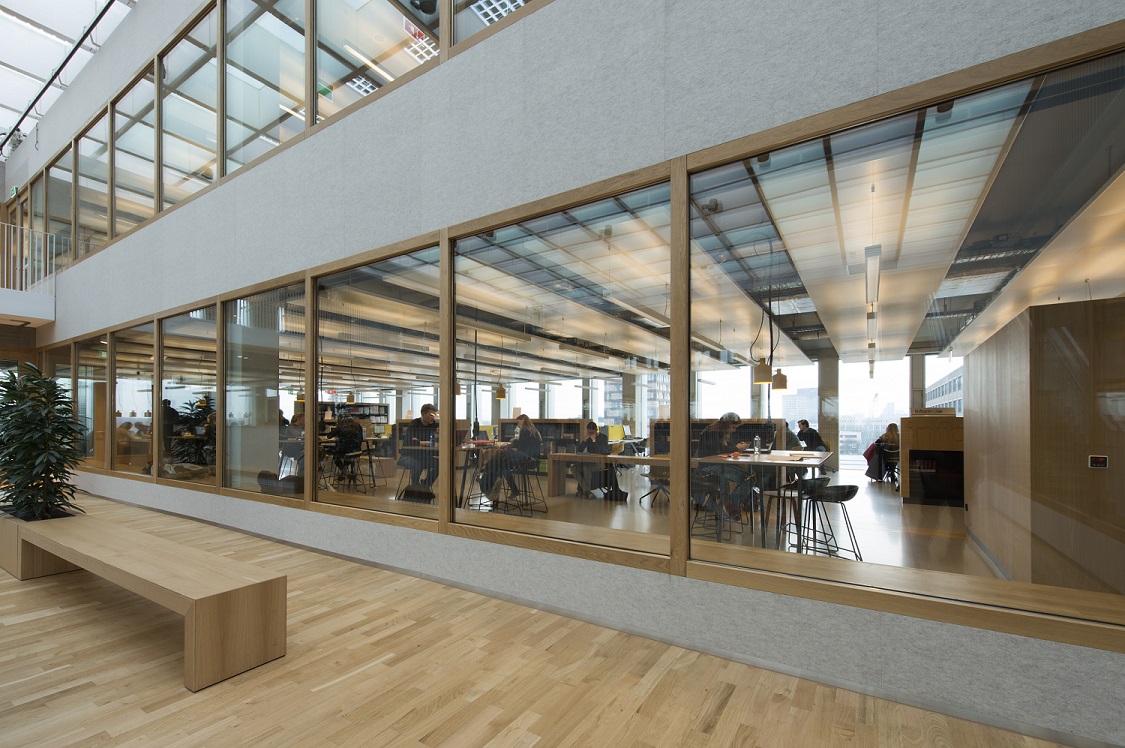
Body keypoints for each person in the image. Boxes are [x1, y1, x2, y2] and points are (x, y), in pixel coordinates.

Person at [694, 413, 753, 516]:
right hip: (709, 466)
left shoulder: (718, 432)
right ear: (727, 424)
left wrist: (737, 446)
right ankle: (730, 505)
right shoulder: (712, 432)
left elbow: (723, 447)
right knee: (749, 478)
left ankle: (728, 504)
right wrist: (737, 448)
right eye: (733, 427)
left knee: (750, 476)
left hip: (716, 465)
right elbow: (720, 450)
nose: (734, 430)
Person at [478, 414, 542, 500]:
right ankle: (514, 490)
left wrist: (514, 442)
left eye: (518, 422)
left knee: (500, 456)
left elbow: (521, 447)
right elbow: (525, 445)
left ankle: (485, 476)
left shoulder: (525, 430)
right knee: (503, 466)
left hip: (527, 458)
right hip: (532, 458)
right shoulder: (533, 430)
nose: (517, 425)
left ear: (523, 419)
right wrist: (515, 442)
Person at [398, 403, 439, 485]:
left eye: (434, 415)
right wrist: (424, 442)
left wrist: (419, 441)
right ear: (423, 414)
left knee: (440, 463)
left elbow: (435, 440)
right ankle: (415, 484)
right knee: (417, 465)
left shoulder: (434, 425)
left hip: (422, 455)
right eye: (431, 415)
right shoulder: (414, 424)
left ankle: (426, 484)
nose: (433, 417)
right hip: (408, 455)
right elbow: (409, 441)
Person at [574, 421, 611, 498]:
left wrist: (594, 441)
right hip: (589, 462)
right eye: (588, 432)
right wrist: (584, 441)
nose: (590, 434)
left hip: (600, 463)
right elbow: (578, 451)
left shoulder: (603, 437)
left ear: (596, 430)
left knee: (586, 467)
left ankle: (585, 491)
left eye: (592, 432)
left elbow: (601, 452)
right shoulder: (588, 438)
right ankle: (587, 491)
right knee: (574, 468)